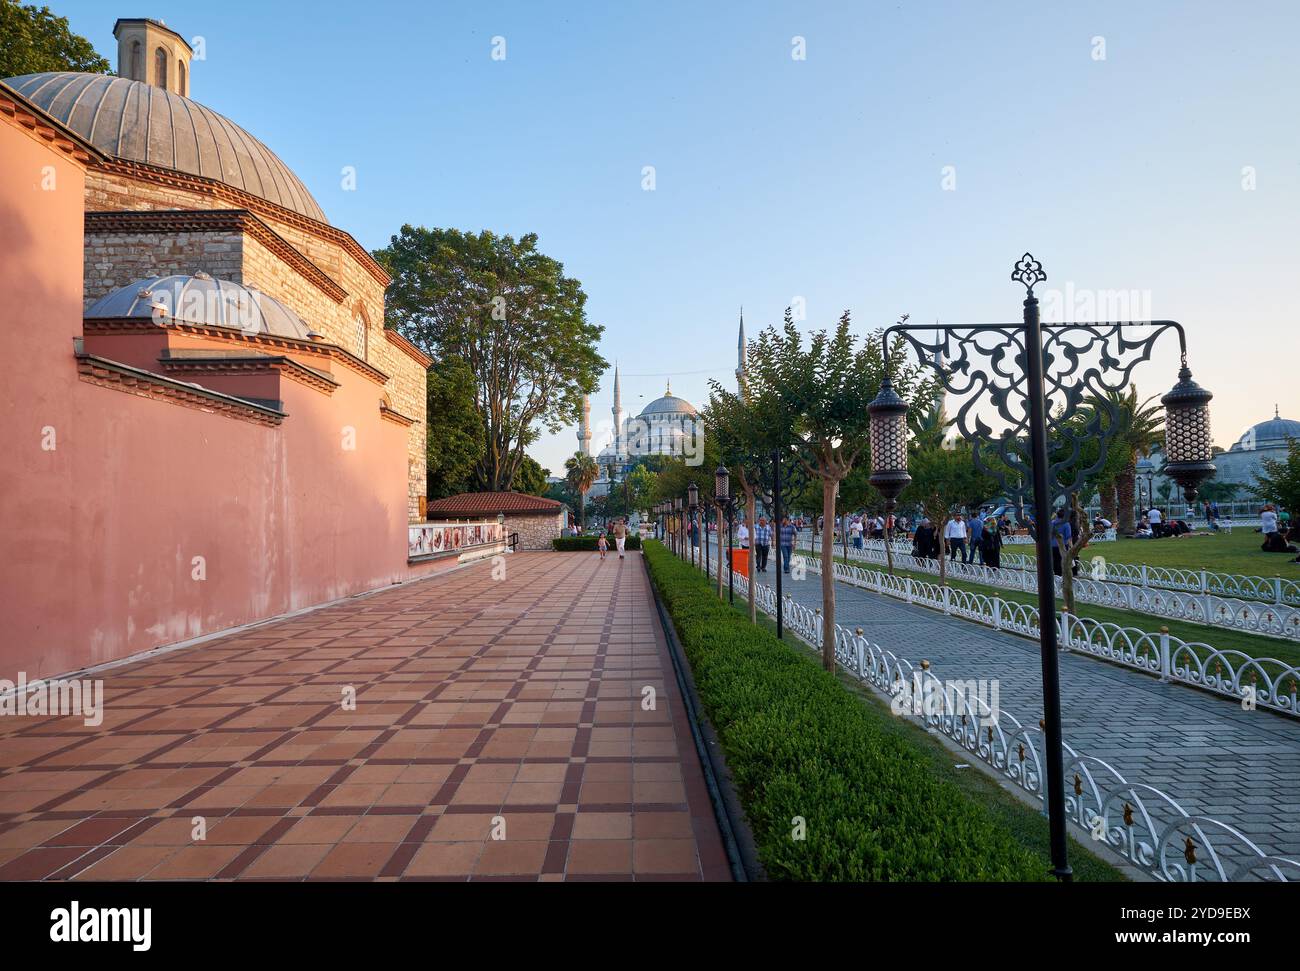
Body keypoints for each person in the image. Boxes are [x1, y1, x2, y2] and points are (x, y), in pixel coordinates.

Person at [1051, 507, 1072, 576]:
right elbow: (1068, 537)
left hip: (1052, 545)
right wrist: (1071, 547)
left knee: (1054, 561)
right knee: (1062, 561)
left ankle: (1055, 575)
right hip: (1062, 545)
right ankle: (1061, 576)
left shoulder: (1052, 523)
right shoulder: (1066, 524)